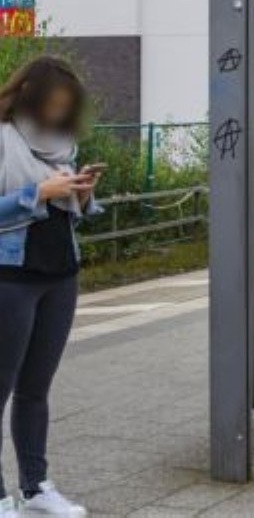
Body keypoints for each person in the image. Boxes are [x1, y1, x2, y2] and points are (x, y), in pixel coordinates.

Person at [0, 57, 101, 518]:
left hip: (60, 274)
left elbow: (68, 211)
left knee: (36, 388)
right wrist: (37, 194)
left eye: (66, 105)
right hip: (10, 277)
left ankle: (36, 487)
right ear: (29, 96)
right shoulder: (4, 137)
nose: (59, 113)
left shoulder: (62, 145)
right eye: (52, 103)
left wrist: (81, 192)